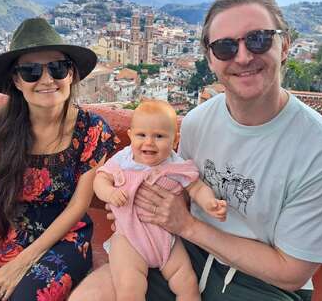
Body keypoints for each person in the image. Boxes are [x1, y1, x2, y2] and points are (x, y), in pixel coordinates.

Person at [69, 0, 322, 301]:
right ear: (210, 59)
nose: (243, 57)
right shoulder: (197, 122)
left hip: (262, 283)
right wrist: (137, 207)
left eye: (258, 39)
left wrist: (188, 226)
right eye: (225, 47)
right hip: (182, 251)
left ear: (284, 45)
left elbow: (291, 272)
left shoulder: (316, 147)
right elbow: (175, 189)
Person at [0, 18, 118, 301]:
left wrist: (22, 263)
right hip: (6, 228)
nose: (47, 80)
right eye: (31, 71)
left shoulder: (91, 130)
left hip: (64, 236)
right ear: (16, 81)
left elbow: (77, 206)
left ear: (71, 75)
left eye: (57, 68)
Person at [92, 100, 227, 301]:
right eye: (141, 135)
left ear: (174, 141)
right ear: (130, 136)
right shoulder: (124, 159)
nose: (149, 142)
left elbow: (196, 187)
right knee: (130, 288)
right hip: (129, 238)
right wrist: (110, 193)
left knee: (188, 284)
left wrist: (210, 203)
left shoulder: (176, 166)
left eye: (159, 136)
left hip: (167, 240)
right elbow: (100, 179)